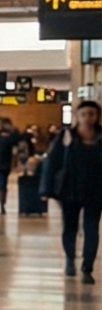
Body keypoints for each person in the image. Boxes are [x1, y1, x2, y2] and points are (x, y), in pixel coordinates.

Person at [47, 100, 102, 282]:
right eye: (84, 114)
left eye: (92, 114)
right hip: (70, 189)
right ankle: (70, 258)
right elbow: (52, 162)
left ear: (97, 116)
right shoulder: (66, 136)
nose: (88, 118)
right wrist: (46, 188)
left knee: (91, 228)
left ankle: (87, 267)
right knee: (69, 227)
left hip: (96, 190)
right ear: (77, 116)